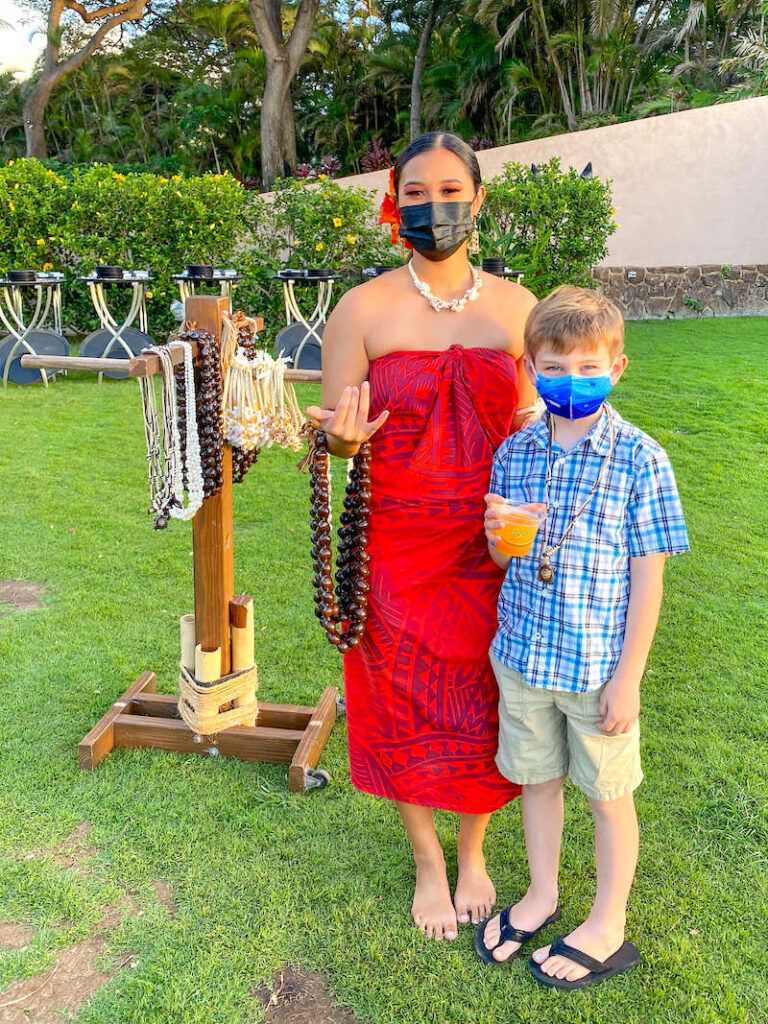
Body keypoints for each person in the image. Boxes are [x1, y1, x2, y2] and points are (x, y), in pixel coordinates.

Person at [306, 131, 539, 941]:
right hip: (394, 544)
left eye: (449, 190)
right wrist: (337, 439)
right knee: (397, 697)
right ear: (392, 204)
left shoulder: (519, 309)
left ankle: (473, 850)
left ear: (477, 200)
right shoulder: (361, 309)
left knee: (484, 697)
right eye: (414, 192)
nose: (432, 206)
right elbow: (341, 429)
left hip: (491, 543)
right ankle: (428, 860)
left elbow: (541, 427)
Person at [476, 285, 689, 989]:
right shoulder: (515, 451)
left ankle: (607, 922)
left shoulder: (642, 459)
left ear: (618, 368)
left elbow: (649, 579)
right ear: (532, 369)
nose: (571, 382)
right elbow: (504, 557)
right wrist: (501, 536)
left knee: (606, 795)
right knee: (539, 781)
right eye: (554, 368)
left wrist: (628, 678)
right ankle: (542, 894)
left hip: (597, 668)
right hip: (525, 656)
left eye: (587, 367)